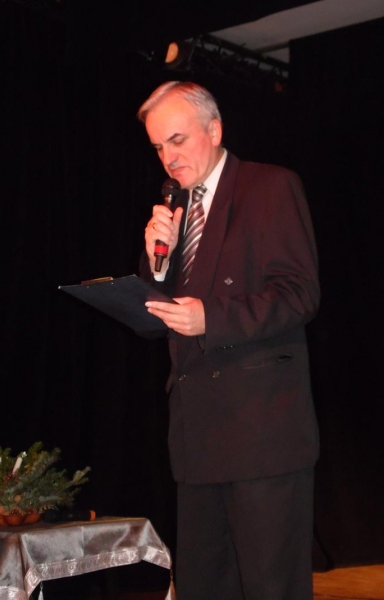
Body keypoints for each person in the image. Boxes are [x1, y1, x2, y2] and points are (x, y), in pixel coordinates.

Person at [137, 80, 320, 600]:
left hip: (262, 435)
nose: (168, 158)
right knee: (202, 587)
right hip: (197, 437)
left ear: (214, 130)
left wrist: (211, 319)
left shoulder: (270, 187)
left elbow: (299, 294)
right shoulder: (176, 208)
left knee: (270, 588)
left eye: (177, 140)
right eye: (158, 147)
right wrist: (157, 262)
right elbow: (156, 316)